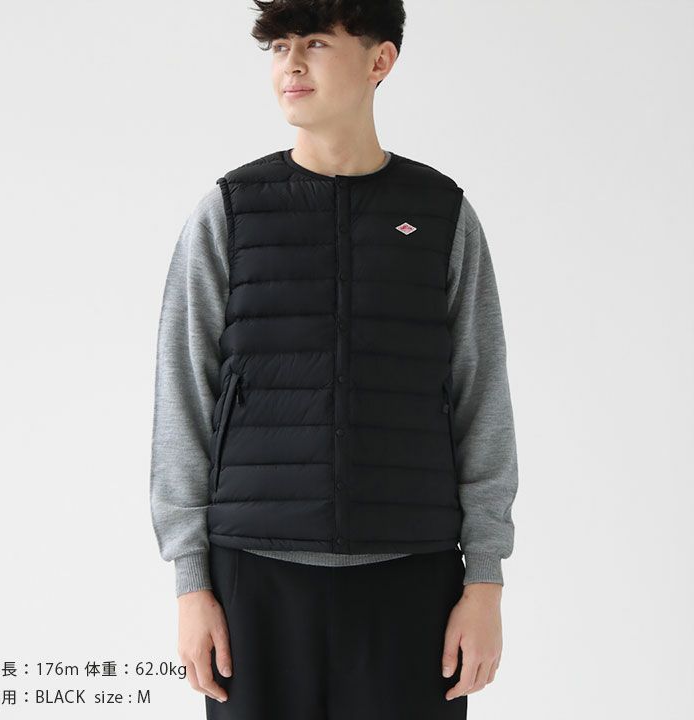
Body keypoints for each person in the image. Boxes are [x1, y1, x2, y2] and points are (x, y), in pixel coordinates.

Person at [149, 1, 519, 717]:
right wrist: (190, 584)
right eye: (279, 46)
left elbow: (482, 402)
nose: (291, 63)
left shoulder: (440, 216)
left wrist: (486, 582)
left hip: (412, 581)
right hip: (254, 582)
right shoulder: (229, 213)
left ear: (381, 60)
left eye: (316, 42)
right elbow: (183, 397)